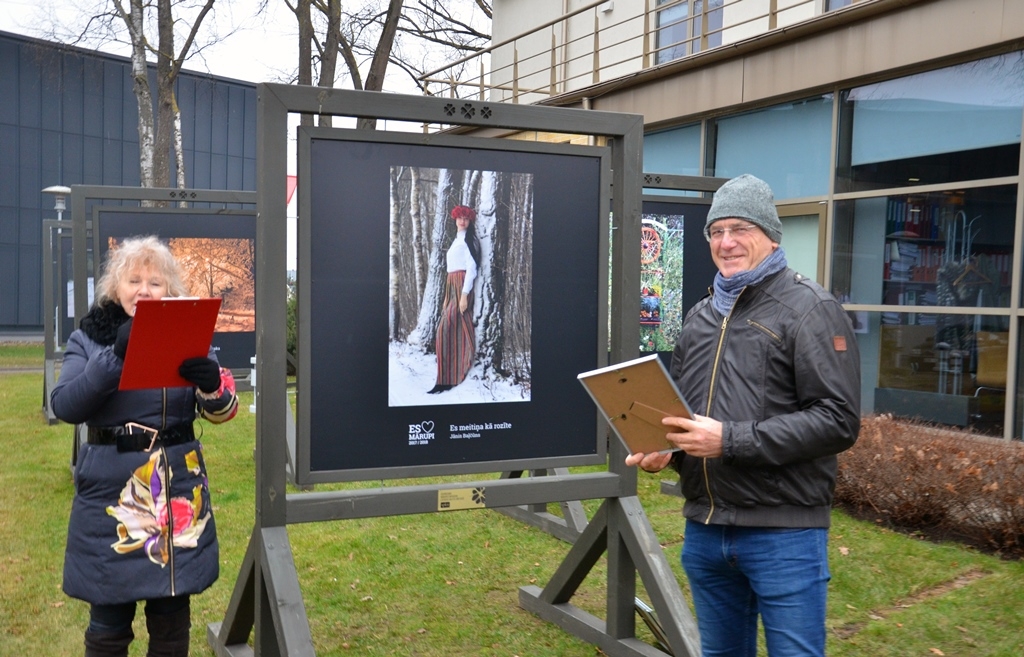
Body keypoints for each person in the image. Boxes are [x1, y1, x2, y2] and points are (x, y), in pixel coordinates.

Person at [626, 174, 861, 657]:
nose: (726, 242)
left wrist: (729, 440)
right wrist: (666, 451)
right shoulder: (700, 316)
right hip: (706, 532)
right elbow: (692, 417)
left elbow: (838, 419)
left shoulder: (810, 308)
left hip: (784, 534)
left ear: (771, 235)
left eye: (739, 229)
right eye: (716, 231)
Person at [52, 235, 238, 657]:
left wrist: (211, 386)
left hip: (176, 493)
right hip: (113, 499)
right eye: (134, 280)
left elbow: (224, 411)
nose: (144, 290)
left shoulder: (188, 335)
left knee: (172, 623)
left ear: (169, 290)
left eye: (155, 282)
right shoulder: (90, 338)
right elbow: (65, 405)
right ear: (116, 287)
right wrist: (116, 356)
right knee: (109, 625)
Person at [428, 204, 482, 394]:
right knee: (446, 331)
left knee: (449, 330)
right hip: (452, 285)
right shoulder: (456, 240)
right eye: (459, 217)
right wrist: (447, 296)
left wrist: (464, 295)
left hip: (462, 285)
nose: (462, 221)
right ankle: (444, 379)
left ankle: (454, 374)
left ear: (470, 221)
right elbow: (450, 269)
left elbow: (472, 269)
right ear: (455, 219)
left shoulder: (469, 240)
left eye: (466, 218)